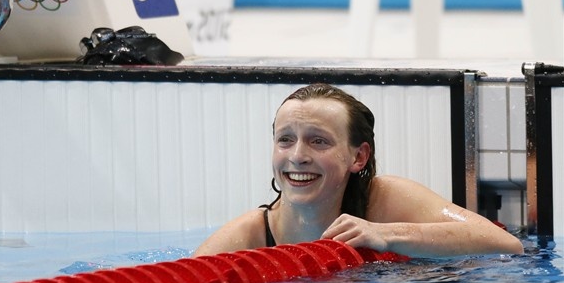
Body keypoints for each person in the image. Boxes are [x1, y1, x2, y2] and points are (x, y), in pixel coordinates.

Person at [193, 83, 524, 258]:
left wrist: (387, 234)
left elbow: (504, 243)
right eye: (285, 140)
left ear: (359, 157)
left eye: (318, 142)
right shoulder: (250, 236)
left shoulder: (384, 201)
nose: (297, 156)